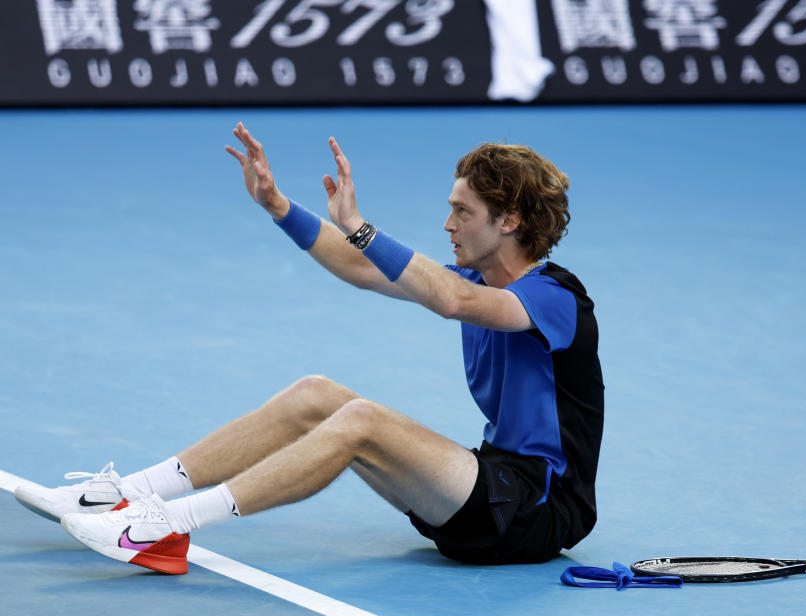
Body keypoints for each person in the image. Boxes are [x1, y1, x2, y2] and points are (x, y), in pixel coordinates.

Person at [14, 123, 604, 574]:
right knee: (316, 396)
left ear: (511, 221)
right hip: (487, 489)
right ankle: (130, 495)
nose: (447, 222)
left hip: (536, 509)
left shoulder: (554, 297)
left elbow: (453, 302)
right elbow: (356, 264)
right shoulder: (473, 278)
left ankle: (167, 525)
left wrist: (363, 225)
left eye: (461, 210)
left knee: (361, 421)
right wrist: (278, 206)